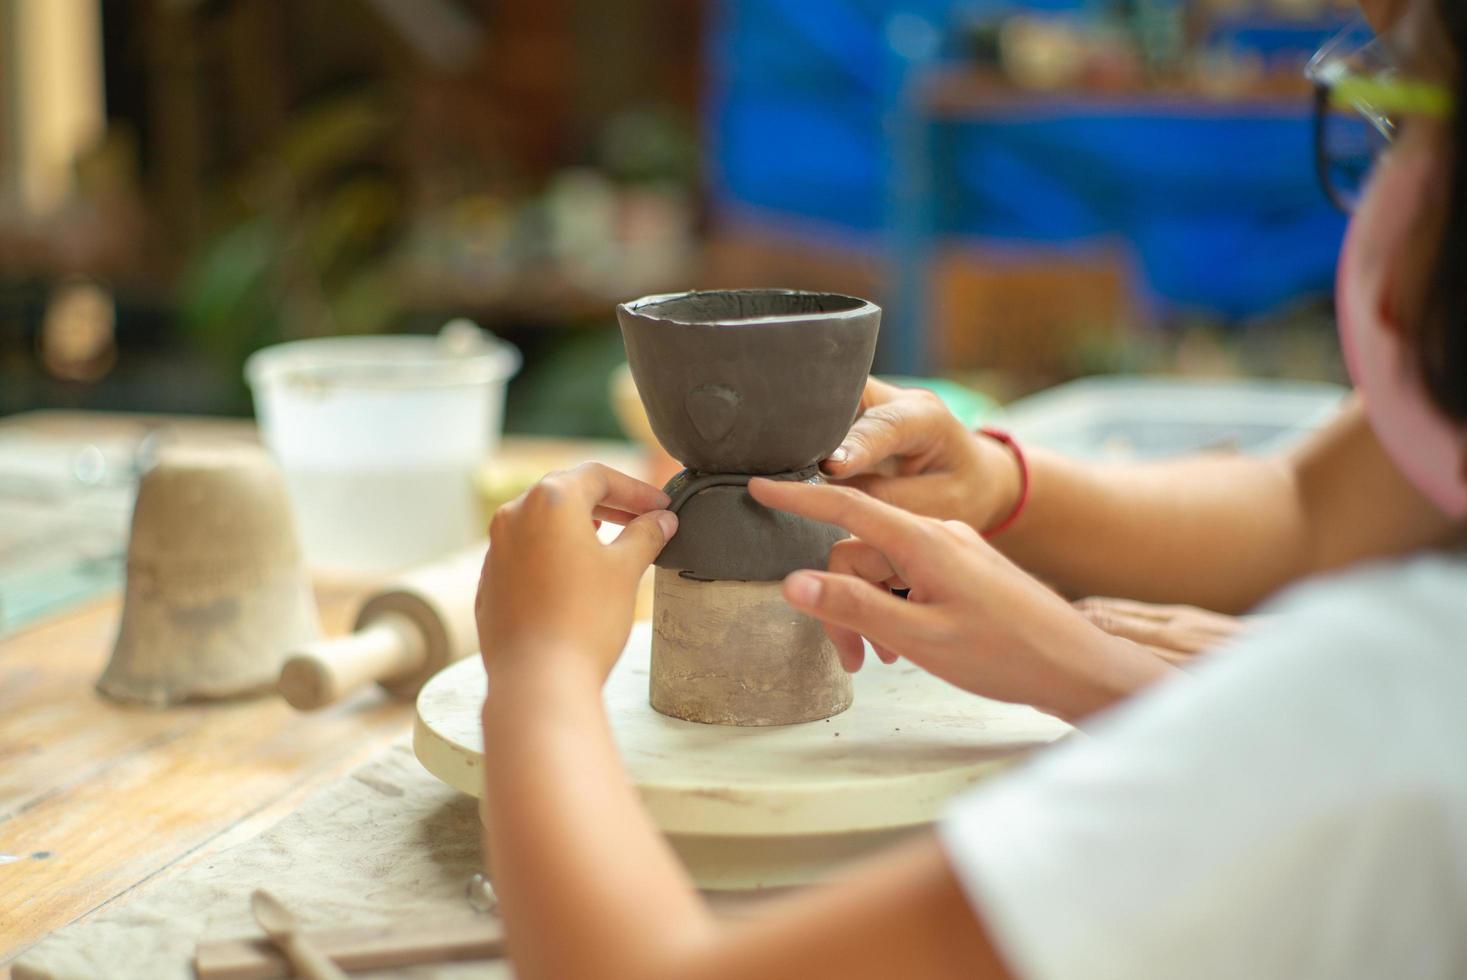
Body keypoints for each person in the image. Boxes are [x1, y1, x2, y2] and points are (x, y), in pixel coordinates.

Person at [471, 1, 1467, 976]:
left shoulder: (1391, 699)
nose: (1380, 174)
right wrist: (1004, 492)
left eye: (1398, 110)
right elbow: (1315, 503)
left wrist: (539, 672)